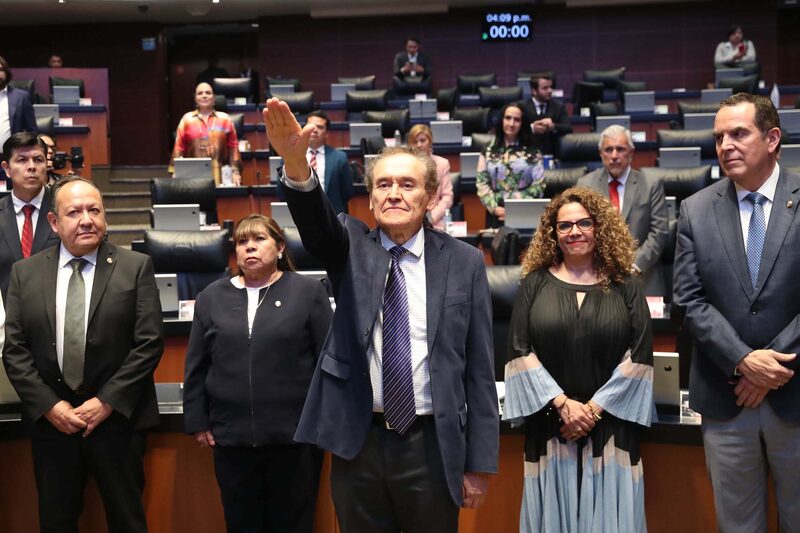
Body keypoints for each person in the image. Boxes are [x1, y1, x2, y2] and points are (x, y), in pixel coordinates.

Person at [263, 97, 498, 533]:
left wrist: (479, 463)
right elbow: (316, 226)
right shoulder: (351, 245)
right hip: (360, 442)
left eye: (407, 185)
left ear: (429, 197)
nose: (394, 193)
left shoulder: (464, 262)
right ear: (369, 198)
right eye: (383, 185)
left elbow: (480, 369)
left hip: (432, 443)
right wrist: (296, 166)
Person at [2, 175, 164, 533]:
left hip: (117, 421)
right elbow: (14, 349)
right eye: (74, 212)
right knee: (56, 522)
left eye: (94, 210)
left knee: (128, 521)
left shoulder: (135, 267)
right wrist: (49, 405)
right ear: (54, 223)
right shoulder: (25, 274)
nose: (87, 219)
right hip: (53, 424)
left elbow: (149, 342)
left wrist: (106, 401)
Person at [673, 93, 799, 532]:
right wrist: (744, 361)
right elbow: (687, 300)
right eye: (719, 136)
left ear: (772, 138)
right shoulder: (695, 210)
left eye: (738, 133)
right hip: (727, 401)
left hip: (796, 394)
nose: (725, 144)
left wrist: (772, 365)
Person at [504, 186, 653, 532]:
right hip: (551, 426)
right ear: (552, 234)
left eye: (584, 223)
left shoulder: (626, 283)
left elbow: (641, 354)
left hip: (613, 427)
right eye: (564, 226)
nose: (574, 232)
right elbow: (518, 349)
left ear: (600, 227)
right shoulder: (534, 283)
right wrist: (562, 405)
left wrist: (592, 410)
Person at [183, 214, 332, 533]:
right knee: (241, 524)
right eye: (241, 241)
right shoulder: (211, 297)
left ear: (280, 247)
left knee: (293, 523)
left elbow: (327, 360)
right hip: (231, 438)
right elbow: (197, 365)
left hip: (295, 439)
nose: (249, 246)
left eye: (259, 239)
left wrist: (325, 421)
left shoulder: (307, 291)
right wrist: (198, 421)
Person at [577, 125, 669, 295]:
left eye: (620, 149)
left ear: (631, 153)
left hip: (643, 276)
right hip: (597, 278)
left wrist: (633, 265)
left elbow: (659, 231)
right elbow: (581, 231)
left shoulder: (650, 185)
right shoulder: (585, 185)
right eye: (608, 149)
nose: (614, 156)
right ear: (600, 154)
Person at [0, 132, 60, 300]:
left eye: (38, 159)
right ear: (7, 169)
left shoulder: (64, 209)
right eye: (22, 160)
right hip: (6, 317)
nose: (32, 166)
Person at [476, 102, 545, 227]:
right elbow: (482, 183)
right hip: (495, 213)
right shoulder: (487, 150)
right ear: (501, 120)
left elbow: (539, 186)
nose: (511, 123)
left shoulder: (533, 151)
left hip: (524, 213)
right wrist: (495, 208)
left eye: (517, 120)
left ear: (522, 123)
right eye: (508, 118)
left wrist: (516, 208)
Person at [279, 110, 354, 214]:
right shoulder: (291, 156)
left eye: (320, 127)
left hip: (333, 215)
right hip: (300, 213)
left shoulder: (340, 158)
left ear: (326, 133)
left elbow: (348, 192)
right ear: (303, 129)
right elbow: (281, 190)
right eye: (311, 126)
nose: (314, 130)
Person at [171, 82, 242, 186]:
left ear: (213, 98)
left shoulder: (225, 119)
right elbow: (179, 148)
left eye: (208, 93)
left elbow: (233, 148)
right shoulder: (187, 120)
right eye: (200, 93)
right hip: (192, 178)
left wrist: (236, 172)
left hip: (221, 177)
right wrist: (175, 172)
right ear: (195, 98)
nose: (204, 96)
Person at [407, 123, 454, 230]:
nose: (419, 145)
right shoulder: (406, 166)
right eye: (415, 142)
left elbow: (448, 196)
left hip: (436, 221)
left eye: (423, 140)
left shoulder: (442, 164)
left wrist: (432, 216)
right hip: (410, 220)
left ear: (430, 141)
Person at [519, 76, 573, 156]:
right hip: (527, 153)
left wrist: (553, 126)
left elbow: (568, 128)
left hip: (553, 153)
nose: (550, 91)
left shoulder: (558, 107)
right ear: (534, 91)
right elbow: (516, 129)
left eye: (551, 87)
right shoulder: (522, 107)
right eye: (545, 88)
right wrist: (532, 128)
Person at [0, 55, 37, 149]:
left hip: (12, 155)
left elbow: (31, 131)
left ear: (6, 72)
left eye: (0, 69)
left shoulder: (21, 97)